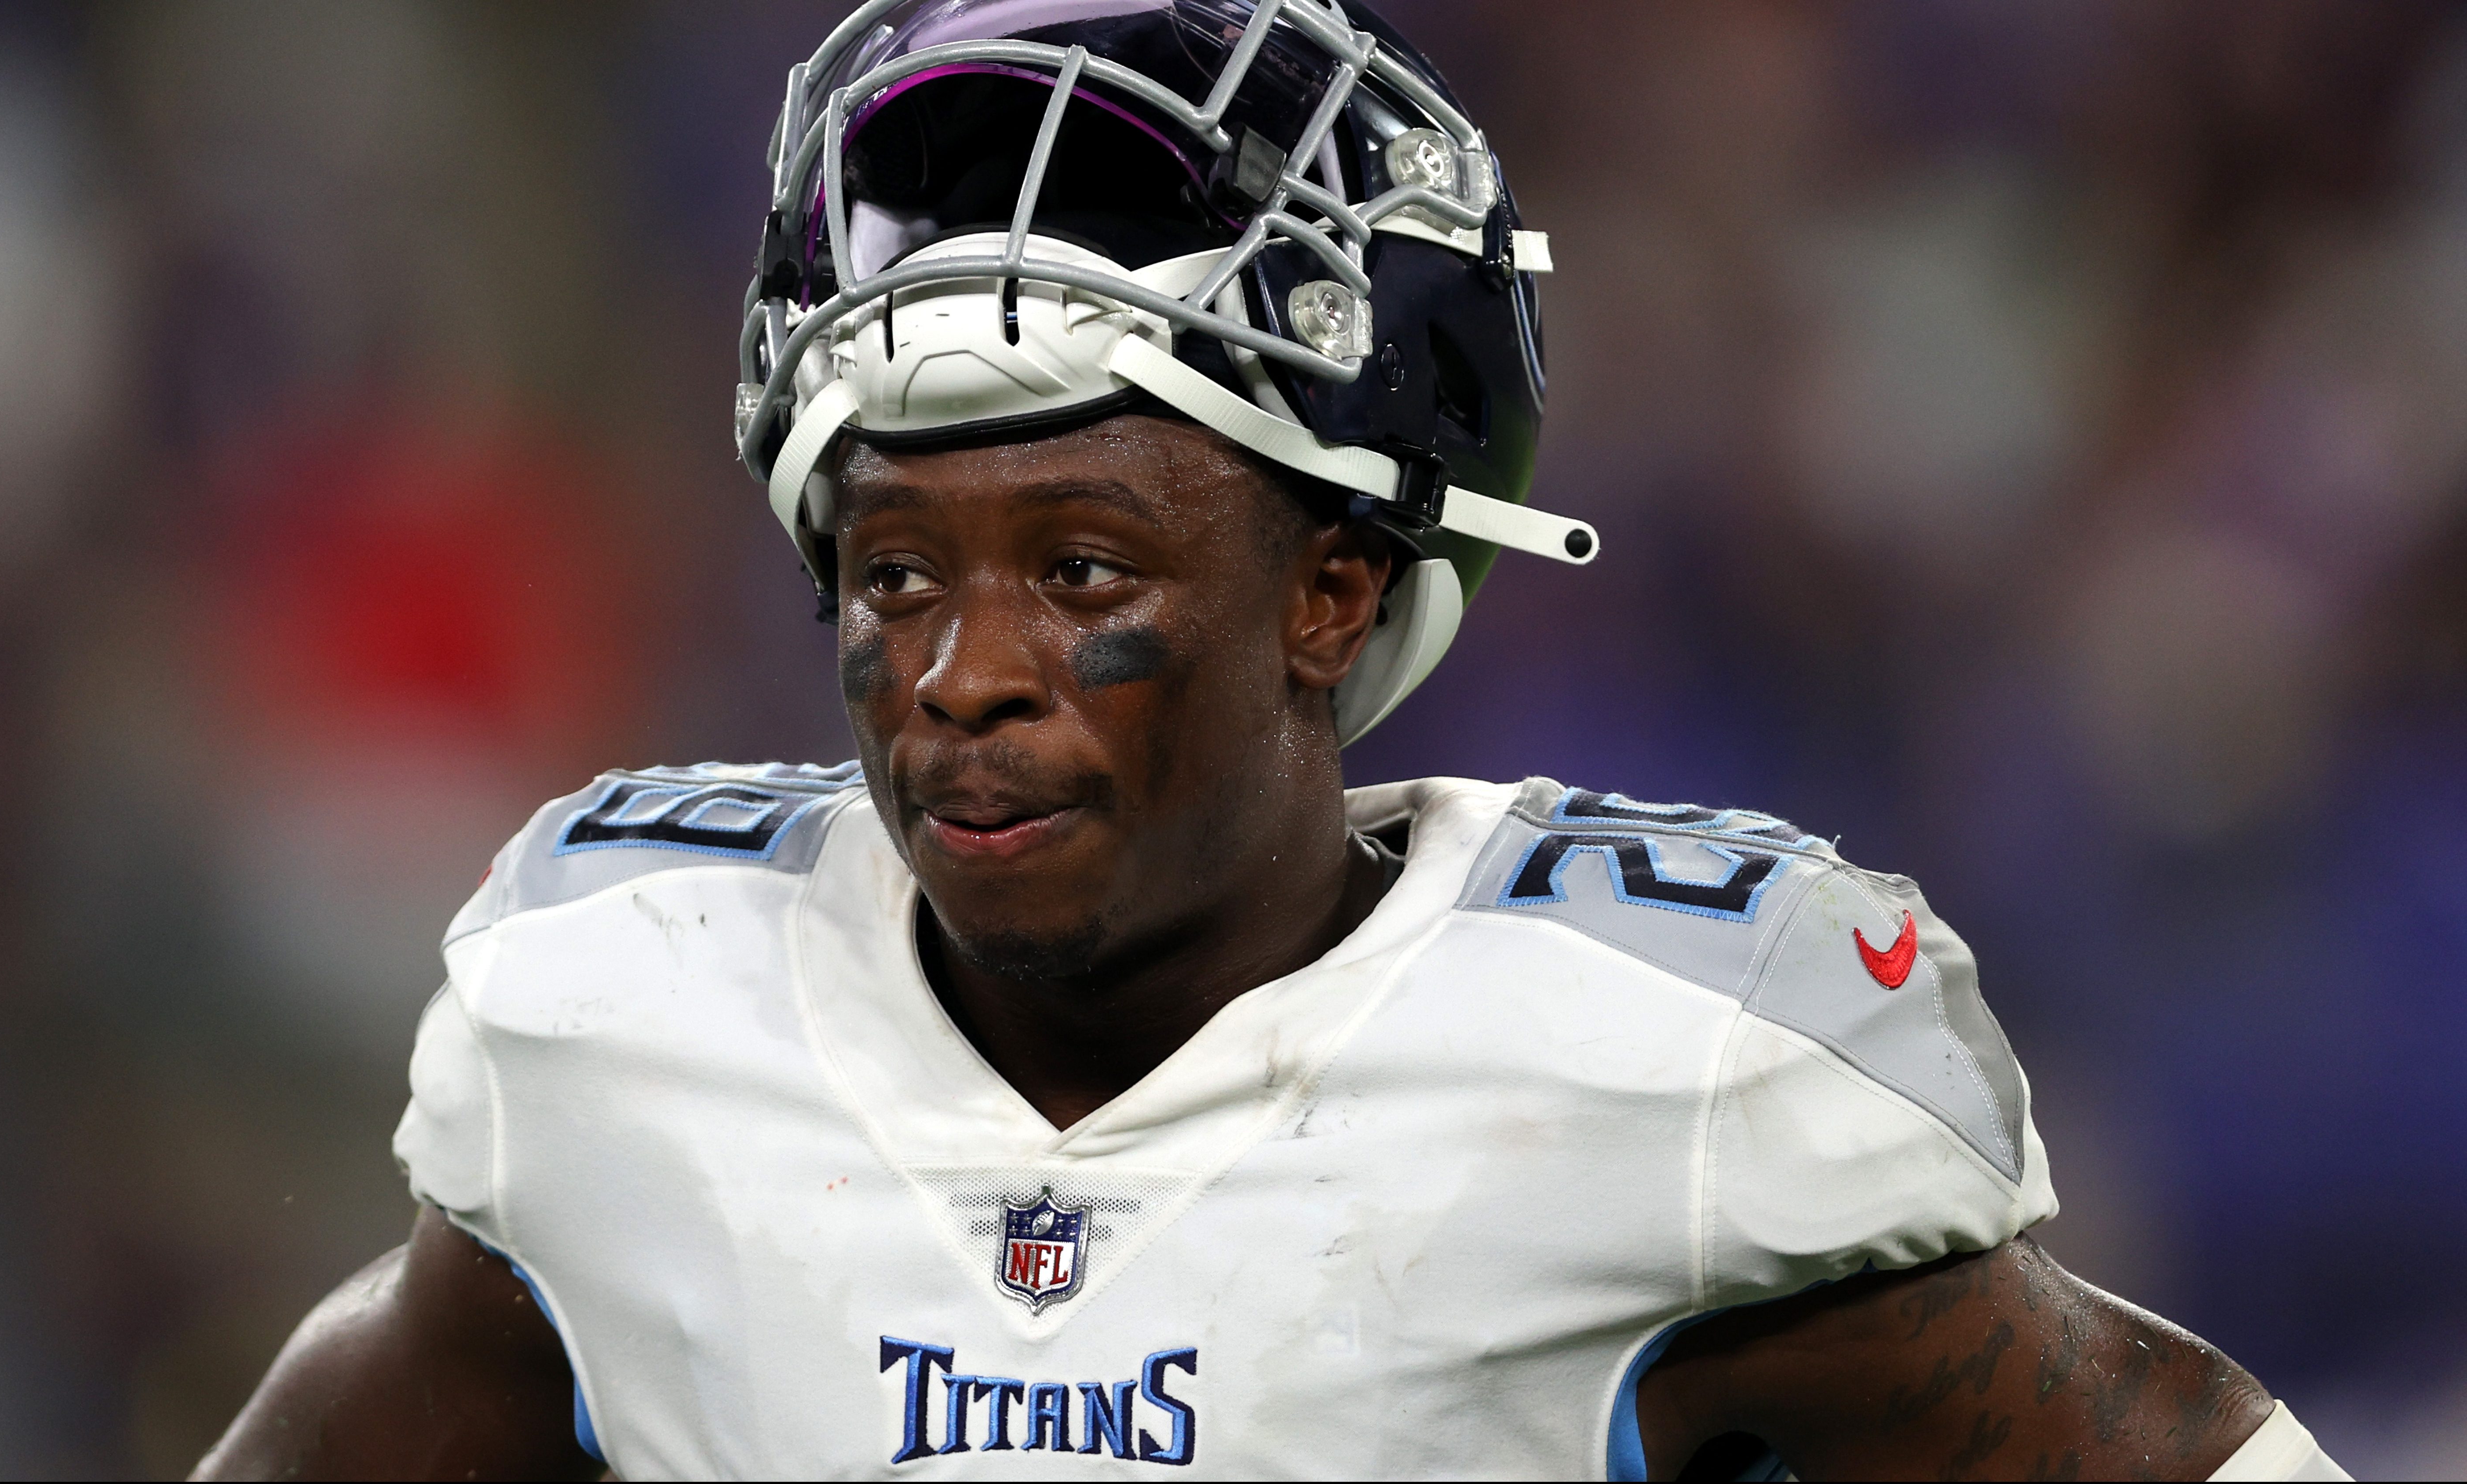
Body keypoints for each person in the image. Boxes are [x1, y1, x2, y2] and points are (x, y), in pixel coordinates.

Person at [196, 2, 2348, 1478]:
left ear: (1328, 587)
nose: (963, 673)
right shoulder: (620, 1018)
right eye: (894, 575)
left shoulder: (1672, 1069)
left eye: (1087, 571)